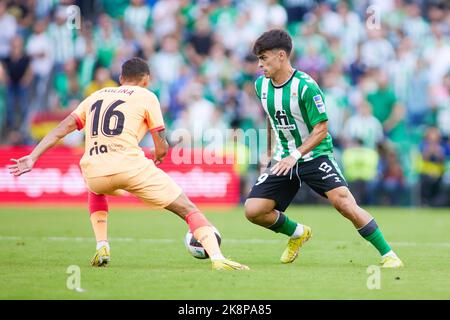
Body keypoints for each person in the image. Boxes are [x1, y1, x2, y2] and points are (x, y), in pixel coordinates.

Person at [8, 57, 249, 271]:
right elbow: (161, 145)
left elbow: (63, 128)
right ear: (146, 80)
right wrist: (159, 154)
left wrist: (33, 156)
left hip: (94, 171)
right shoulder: (147, 96)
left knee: (95, 188)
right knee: (189, 209)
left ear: (121, 78)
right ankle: (217, 258)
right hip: (131, 167)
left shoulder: (96, 96)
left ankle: (102, 245)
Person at [245, 29, 403, 268]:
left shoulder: (306, 86)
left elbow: (321, 129)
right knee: (253, 210)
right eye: (258, 59)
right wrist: (269, 152)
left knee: (344, 203)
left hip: (314, 156)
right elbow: (272, 118)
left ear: (280, 56)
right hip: (283, 158)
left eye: (263, 58)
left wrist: (296, 154)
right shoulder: (261, 86)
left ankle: (389, 254)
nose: (259, 65)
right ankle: (298, 233)